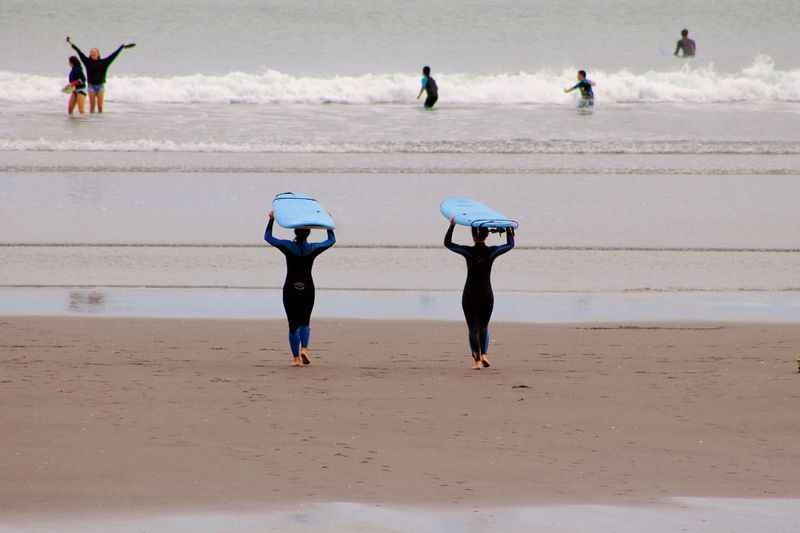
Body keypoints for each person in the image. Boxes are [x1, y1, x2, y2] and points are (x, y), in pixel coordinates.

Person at [264, 212, 336, 367]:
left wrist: (271, 219)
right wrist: (328, 224)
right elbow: (331, 240)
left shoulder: (287, 246)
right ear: (308, 233)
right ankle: (305, 349)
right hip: (308, 289)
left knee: (293, 325)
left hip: (290, 288)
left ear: (295, 232)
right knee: (305, 322)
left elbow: (268, 238)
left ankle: (296, 358)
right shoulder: (313, 248)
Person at [444, 219, 515, 369]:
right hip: (486, 295)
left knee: (472, 328)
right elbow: (510, 245)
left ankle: (476, 360)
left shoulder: (468, 252)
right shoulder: (492, 252)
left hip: (470, 294)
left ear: (473, 236)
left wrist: (452, 225)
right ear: (486, 235)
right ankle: (484, 355)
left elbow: (448, 244)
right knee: (483, 327)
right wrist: (508, 230)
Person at [66, 36, 136, 113]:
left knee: (100, 107)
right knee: (92, 107)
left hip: (100, 86)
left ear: (98, 54)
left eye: (94, 52)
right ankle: (92, 124)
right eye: (91, 52)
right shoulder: (87, 61)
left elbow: (114, 55)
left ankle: (100, 123)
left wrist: (121, 47)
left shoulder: (104, 62)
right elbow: (79, 51)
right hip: (91, 86)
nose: (92, 53)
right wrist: (70, 42)